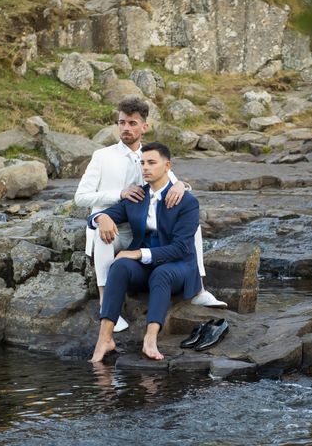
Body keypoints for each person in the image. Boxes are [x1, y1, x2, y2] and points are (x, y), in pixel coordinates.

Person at [74, 97, 226, 333]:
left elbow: (171, 183)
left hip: (139, 230)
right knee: (104, 234)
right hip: (112, 224)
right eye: (121, 122)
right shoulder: (102, 156)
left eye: (132, 123)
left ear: (144, 127)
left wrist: (182, 185)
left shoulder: (149, 155)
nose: (126, 128)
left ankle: (199, 288)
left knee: (191, 224)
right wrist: (119, 195)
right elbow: (80, 197)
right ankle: (107, 303)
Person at [89, 142, 201, 362]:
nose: (145, 168)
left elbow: (180, 248)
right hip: (145, 269)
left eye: (151, 162)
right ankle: (105, 338)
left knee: (162, 273)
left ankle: (150, 339)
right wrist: (101, 218)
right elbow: (99, 216)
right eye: (142, 163)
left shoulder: (187, 201)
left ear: (167, 165)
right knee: (120, 266)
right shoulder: (138, 196)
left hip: (178, 267)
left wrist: (138, 253)